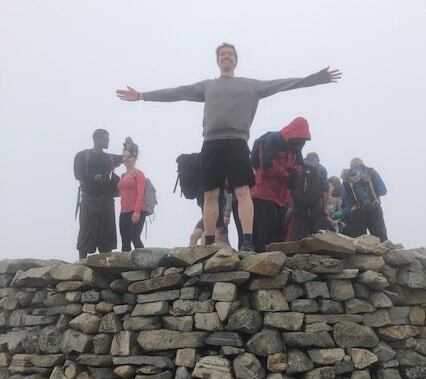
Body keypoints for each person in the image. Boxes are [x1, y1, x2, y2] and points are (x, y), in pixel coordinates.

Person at [116, 43, 342, 251]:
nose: (226, 57)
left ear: (236, 61)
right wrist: (142, 96)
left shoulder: (250, 86)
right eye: (222, 55)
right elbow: (178, 92)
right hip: (211, 143)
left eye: (230, 55)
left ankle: (248, 241)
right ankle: (210, 243)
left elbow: (285, 84)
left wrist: (318, 78)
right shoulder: (208, 86)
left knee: (243, 192)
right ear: (218, 61)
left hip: (237, 142)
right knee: (211, 194)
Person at [251, 117, 311, 252]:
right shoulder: (273, 140)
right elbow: (266, 165)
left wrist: (294, 174)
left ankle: (275, 259)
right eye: (301, 138)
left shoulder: (295, 148)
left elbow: (298, 166)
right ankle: (262, 258)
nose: (302, 142)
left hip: (283, 196)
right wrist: (287, 174)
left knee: (280, 230)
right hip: (265, 192)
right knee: (266, 228)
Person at [74, 129, 123, 260]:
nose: (108, 141)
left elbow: (125, 157)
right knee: (86, 235)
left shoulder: (109, 157)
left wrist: (128, 145)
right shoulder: (82, 156)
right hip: (89, 199)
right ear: (96, 139)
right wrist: (94, 177)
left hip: (107, 200)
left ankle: (105, 266)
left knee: (107, 236)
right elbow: (77, 174)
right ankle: (81, 265)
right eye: (105, 139)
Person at [341, 158, 388, 241]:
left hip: (357, 212)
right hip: (375, 209)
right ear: (362, 164)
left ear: (351, 166)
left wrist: (351, 208)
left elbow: (344, 197)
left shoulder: (347, 177)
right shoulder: (370, 172)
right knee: (381, 239)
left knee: (359, 241)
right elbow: (383, 190)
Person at [290, 151, 330, 240]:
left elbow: (290, 184)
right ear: (317, 159)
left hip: (298, 204)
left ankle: (298, 252)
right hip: (315, 205)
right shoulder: (321, 168)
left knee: (299, 234)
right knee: (319, 235)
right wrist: (325, 207)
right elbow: (326, 189)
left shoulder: (298, 165)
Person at [117, 138, 148, 252]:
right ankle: (126, 266)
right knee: (125, 240)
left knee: (134, 237)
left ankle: (144, 261)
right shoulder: (123, 175)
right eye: (123, 157)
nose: (125, 160)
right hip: (124, 211)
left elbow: (140, 193)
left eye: (127, 157)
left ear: (134, 157)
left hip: (136, 210)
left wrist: (137, 211)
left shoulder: (138, 174)